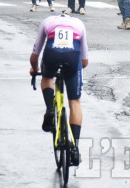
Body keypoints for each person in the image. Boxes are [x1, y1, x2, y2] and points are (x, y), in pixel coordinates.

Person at [30, 13, 89, 166]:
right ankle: (75, 148)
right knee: (75, 102)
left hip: (51, 54)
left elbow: (35, 54)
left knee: (47, 78)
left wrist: (34, 69)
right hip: (72, 56)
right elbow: (85, 61)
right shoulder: (79, 24)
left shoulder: (47, 21)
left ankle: (50, 109)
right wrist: (74, 71)